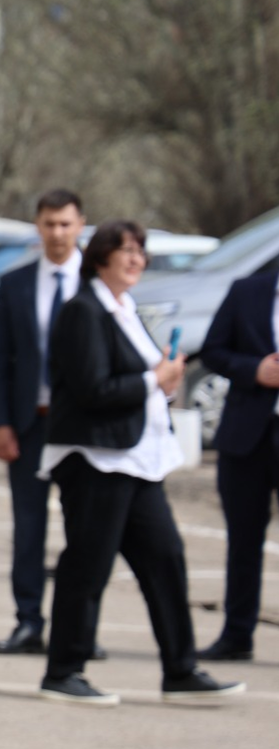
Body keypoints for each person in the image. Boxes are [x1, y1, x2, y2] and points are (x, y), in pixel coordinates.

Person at [37, 220, 244, 706]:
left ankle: (181, 669)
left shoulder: (125, 308)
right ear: (101, 258)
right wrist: (157, 379)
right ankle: (64, 671)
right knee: (88, 567)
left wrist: (163, 382)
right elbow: (93, 389)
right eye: (126, 251)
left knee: (166, 559)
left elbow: (142, 381)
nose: (137, 260)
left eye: (140, 252)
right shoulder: (83, 311)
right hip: (96, 460)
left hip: (138, 460)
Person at [0, 190, 100, 656]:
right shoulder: (14, 284)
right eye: (50, 224)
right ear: (37, 226)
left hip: (84, 430)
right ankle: (28, 623)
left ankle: (80, 633)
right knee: (29, 531)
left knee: (86, 533)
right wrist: (1, 424)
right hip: (30, 426)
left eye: (66, 224)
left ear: (81, 225)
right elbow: (0, 360)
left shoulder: (97, 282)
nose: (57, 233)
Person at [194, 269, 279, 662]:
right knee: (243, 540)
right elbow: (213, 350)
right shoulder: (248, 290)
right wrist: (254, 370)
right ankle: (237, 634)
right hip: (247, 437)